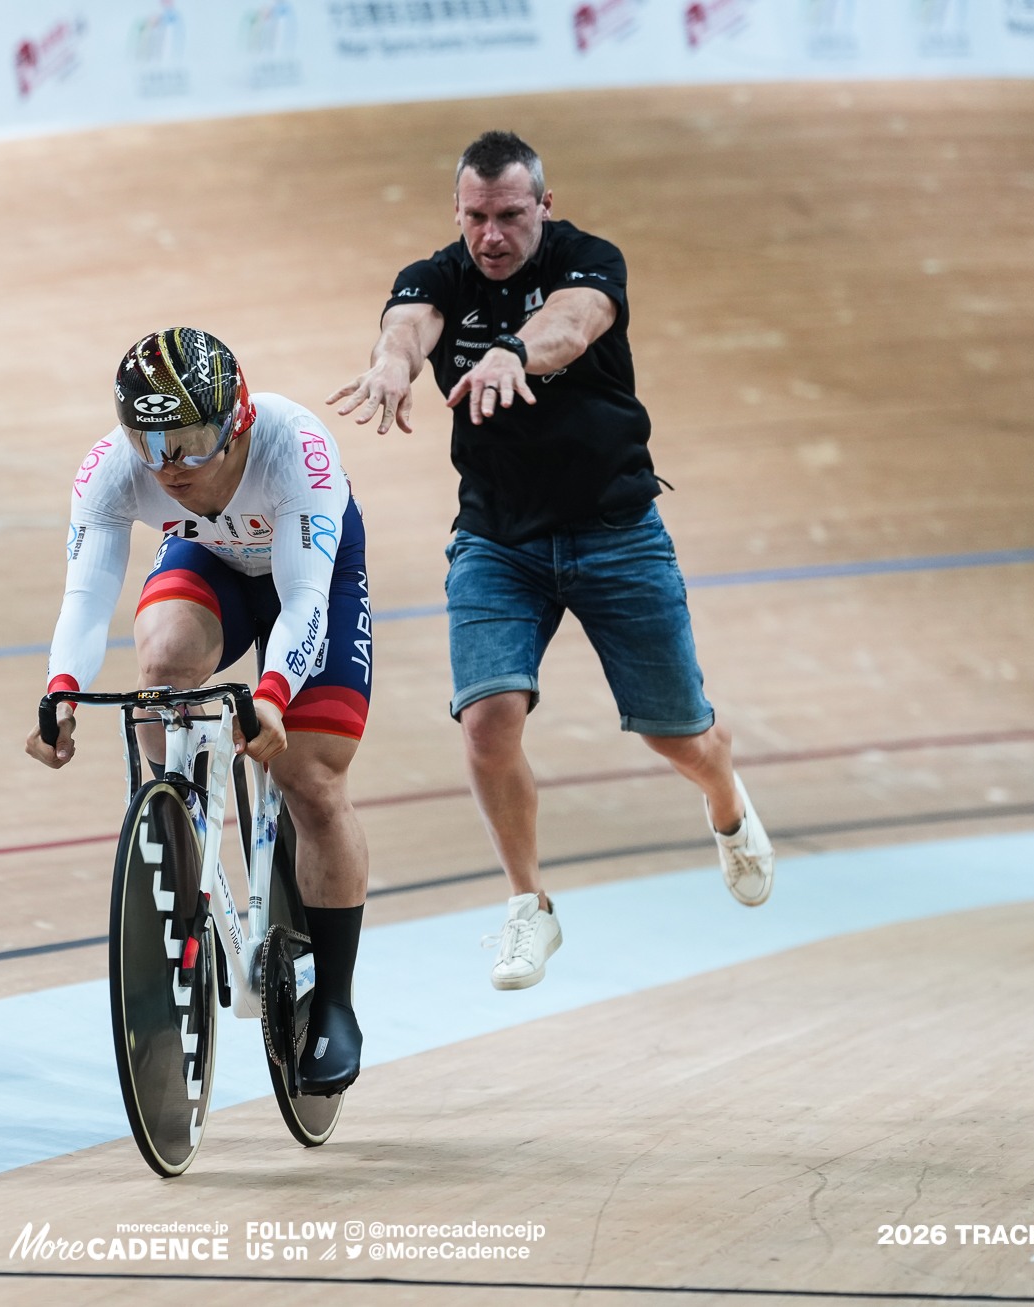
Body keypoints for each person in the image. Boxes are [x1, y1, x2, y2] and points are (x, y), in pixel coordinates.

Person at [327, 130, 773, 992]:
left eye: (509, 216)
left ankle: (725, 801)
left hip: (615, 529)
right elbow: (407, 323)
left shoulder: (591, 261)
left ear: (545, 205)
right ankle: (529, 907)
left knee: (674, 731)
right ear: (457, 213)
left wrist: (511, 352)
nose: (491, 237)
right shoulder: (440, 275)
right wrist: (390, 363)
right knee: (487, 721)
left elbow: (572, 325)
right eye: (475, 218)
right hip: (499, 540)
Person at [27, 327, 372, 1095]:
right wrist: (59, 689)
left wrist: (275, 695)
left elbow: (306, 598)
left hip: (312, 574)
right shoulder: (117, 470)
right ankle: (187, 837)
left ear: (238, 419)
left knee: (311, 777)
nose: (170, 467)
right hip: (212, 563)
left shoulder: (296, 447)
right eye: (149, 445)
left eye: (189, 444)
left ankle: (338, 1002)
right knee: (161, 663)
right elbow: (86, 597)